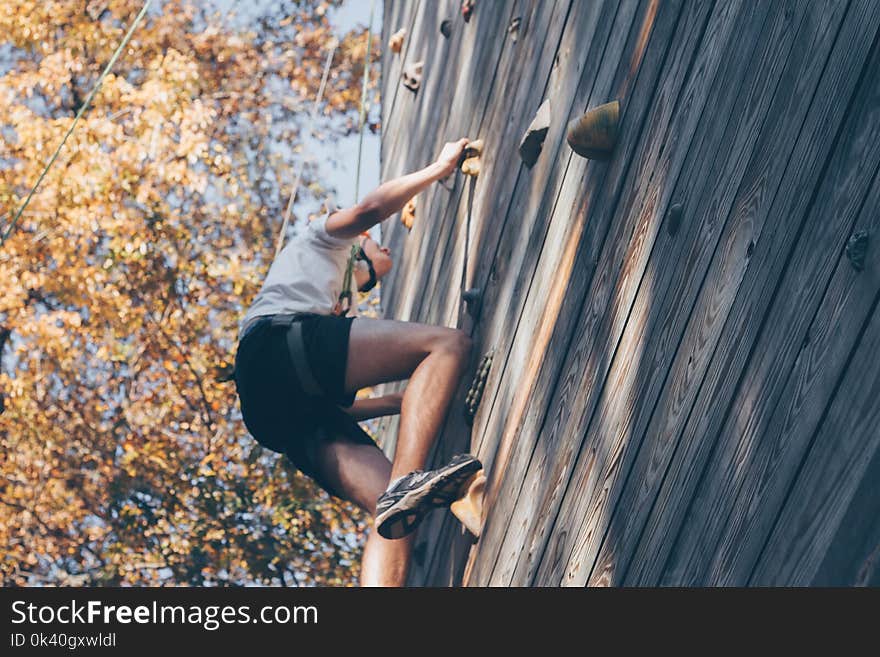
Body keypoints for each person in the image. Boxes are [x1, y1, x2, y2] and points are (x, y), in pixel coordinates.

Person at [233, 138, 482, 586]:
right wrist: (437, 169)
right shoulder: (322, 239)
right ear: (357, 246)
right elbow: (370, 209)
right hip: (277, 346)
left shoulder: (328, 308)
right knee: (448, 346)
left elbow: (340, 407)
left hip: (282, 415)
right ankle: (408, 485)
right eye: (375, 244)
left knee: (395, 514)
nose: (383, 247)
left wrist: (403, 401)